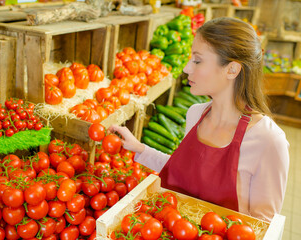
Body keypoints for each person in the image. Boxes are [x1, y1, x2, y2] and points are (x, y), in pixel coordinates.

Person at [109, 17, 289, 222]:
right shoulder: (195, 114)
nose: (186, 68)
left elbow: (264, 226)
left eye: (197, 60)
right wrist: (140, 149)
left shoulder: (268, 140)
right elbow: (189, 175)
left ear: (232, 69)